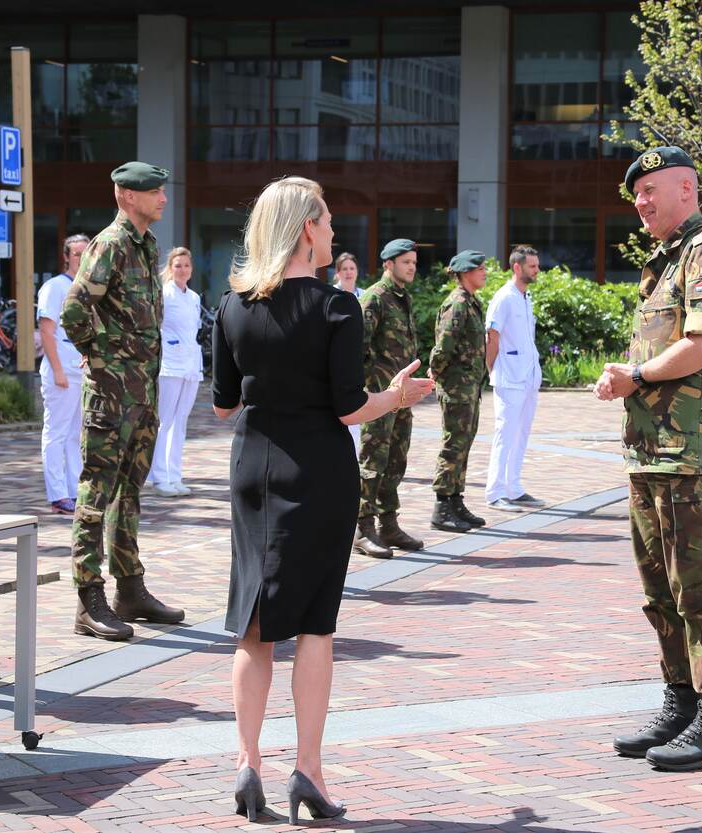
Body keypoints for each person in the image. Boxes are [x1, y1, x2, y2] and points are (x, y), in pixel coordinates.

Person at [212, 176, 433, 824]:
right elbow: (348, 407)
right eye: (328, 220)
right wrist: (397, 397)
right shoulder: (338, 307)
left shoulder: (232, 305)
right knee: (315, 623)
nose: (334, 230)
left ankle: (247, 763)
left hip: (252, 466)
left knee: (253, 623)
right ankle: (308, 770)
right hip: (319, 471)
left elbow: (224, 404)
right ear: (307, 227)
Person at [594, 146, 702, 771]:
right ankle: (680, 704)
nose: (640, 202)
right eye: (636, 193)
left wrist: (633, 375)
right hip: (652, 452)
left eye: (650, 189)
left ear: (686, 188)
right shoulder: (664, 263)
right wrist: (626, 378)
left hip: (693, 450)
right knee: (661, 591)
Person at [61, 161, 185, 641]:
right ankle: (87, 598)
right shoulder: (110, 244)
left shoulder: (147, 244)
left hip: (142, 391)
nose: (163, 198)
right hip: (111, 395)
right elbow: (74, 309)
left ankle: (129, 588)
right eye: (155, 192)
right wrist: (100, 356)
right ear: (128, 196)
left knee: (129, 492)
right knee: (97, 491)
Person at [353, 238, 427, 559]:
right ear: (388, 264)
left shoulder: (402, 298)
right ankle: (362, 528)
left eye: (414, 262)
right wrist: (363, 392)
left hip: (400, 396)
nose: (412, 267)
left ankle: (388, 524)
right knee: (373, 461)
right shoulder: (375, 298)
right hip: (378, 395)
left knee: (396, 460)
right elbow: (356, 348)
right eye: (405, 262)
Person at [429, 250, 488, 533]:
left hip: (469, 387)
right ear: (466, 273)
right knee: (453, 444)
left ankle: (455, 500)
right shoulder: (458, 304)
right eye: (480, 268)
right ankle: (442, 508)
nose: (485, 272)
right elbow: (443, 347)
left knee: (463, 443)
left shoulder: (471, 302)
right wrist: (437, 372)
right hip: (456, 388)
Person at [485, 245, 545, 513]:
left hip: (528, 377)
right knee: (505, 434)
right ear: (517, 267)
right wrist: (492, 369)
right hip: (509, 378)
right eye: (532, 266)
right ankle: (495, 492)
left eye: (537, 265)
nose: (537, 270)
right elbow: (492, 337)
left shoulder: (525, 296)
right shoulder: (504, 298)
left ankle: (514, 488)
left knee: (521, 434)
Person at [37, 234, 89, 515]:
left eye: (86, 253)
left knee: (75, 435)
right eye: (77, 254)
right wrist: (57, 370)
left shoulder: (89, 288)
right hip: (61, 371)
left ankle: (75, 490)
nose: (81, 258)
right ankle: (57, 494)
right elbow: (47, 331)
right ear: (67, 257)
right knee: (56, 433)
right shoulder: (54, 287)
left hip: (82, 372)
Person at [148, 246, 203, 496]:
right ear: (170, 268)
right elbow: (154, 327)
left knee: (180, 422)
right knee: (165, 421)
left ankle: (175, 475)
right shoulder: (163, 294)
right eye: (178, 265)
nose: (182, 269)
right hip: (170, 365)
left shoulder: (194, 298)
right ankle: (159, 478)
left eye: (186, 265)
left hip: (191, 365)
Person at [332, 252, 364, 453]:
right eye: (344, 269)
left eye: (352, 268)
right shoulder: (330, 296)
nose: (348, 272)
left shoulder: (365, 295)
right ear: (337, 272)